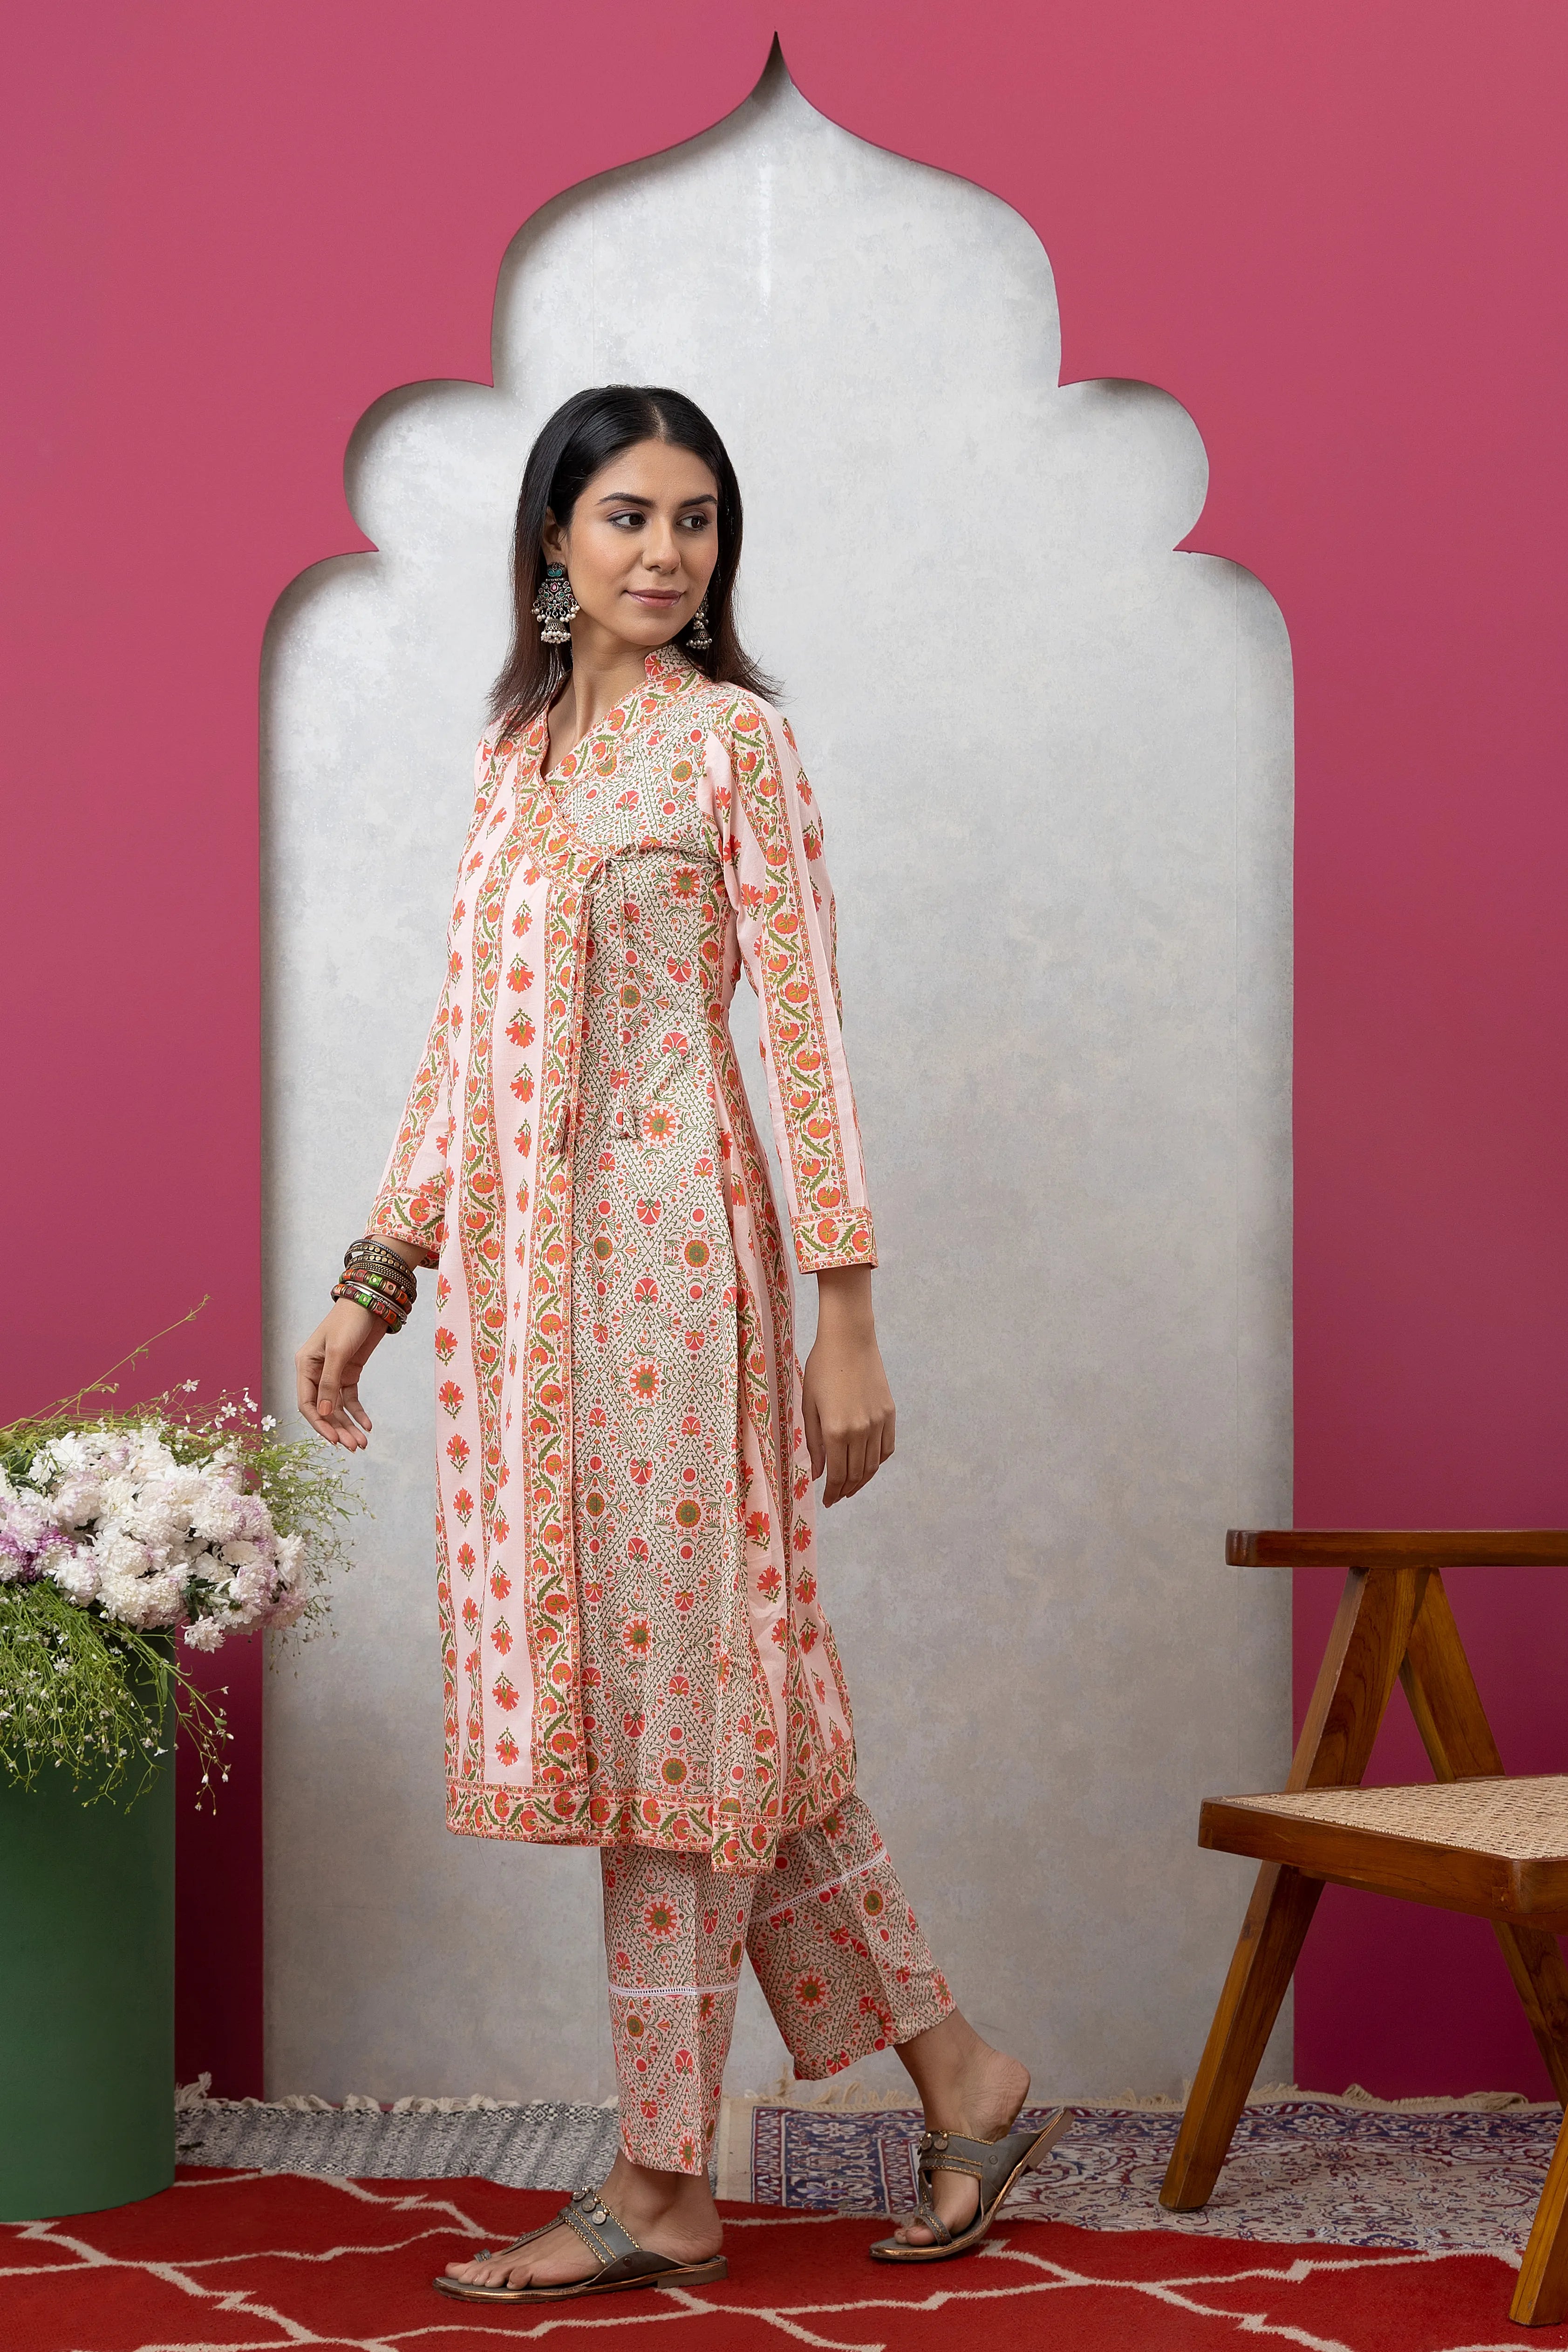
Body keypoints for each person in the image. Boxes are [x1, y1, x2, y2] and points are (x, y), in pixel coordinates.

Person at [295, 384, 1064, 2306]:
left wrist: (847, 1313)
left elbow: (800, 1037)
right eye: (626, 515)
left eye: (697, 521)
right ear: (549, 541)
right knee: (712, 1723)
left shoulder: (736, 746)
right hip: (522, 1316)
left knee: (682, 1732)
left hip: (682, 1279)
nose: (664, 553)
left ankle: (656, 2177)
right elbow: (453, 1053)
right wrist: (375, 1275)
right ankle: (963, 2071)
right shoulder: (512, 767)